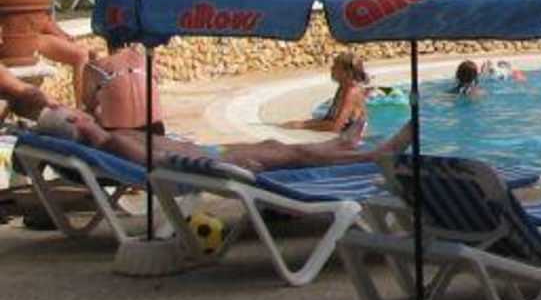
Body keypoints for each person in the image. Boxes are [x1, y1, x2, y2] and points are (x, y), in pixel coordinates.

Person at [36, 105, 414, 176]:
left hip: (213, 153)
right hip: (216, 160)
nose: (79, 108)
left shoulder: (112, 138)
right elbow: (161, 165)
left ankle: (342, 145)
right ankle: (377, 156)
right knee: (297, 155)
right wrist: (222, 167)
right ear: (74, 121)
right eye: (72, 109)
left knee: (278, 145)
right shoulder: (114, 145)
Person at [22, 0, 97, 103]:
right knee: (81, 55)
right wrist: (63, 36)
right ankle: (81, 108)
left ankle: (87, 104)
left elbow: (46, 20)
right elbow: (42, 22)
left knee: (88, 54)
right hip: (30, 37)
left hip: (33, 34)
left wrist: (64, 35)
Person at [286, 52, 371, 135]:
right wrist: (305, 123)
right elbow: (329, 118)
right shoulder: (342, 87)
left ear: (346, 73)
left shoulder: (351, 92)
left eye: (336, 67)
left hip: (353, 136)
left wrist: (302, 125)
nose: (331, 68)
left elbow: (336, 126)